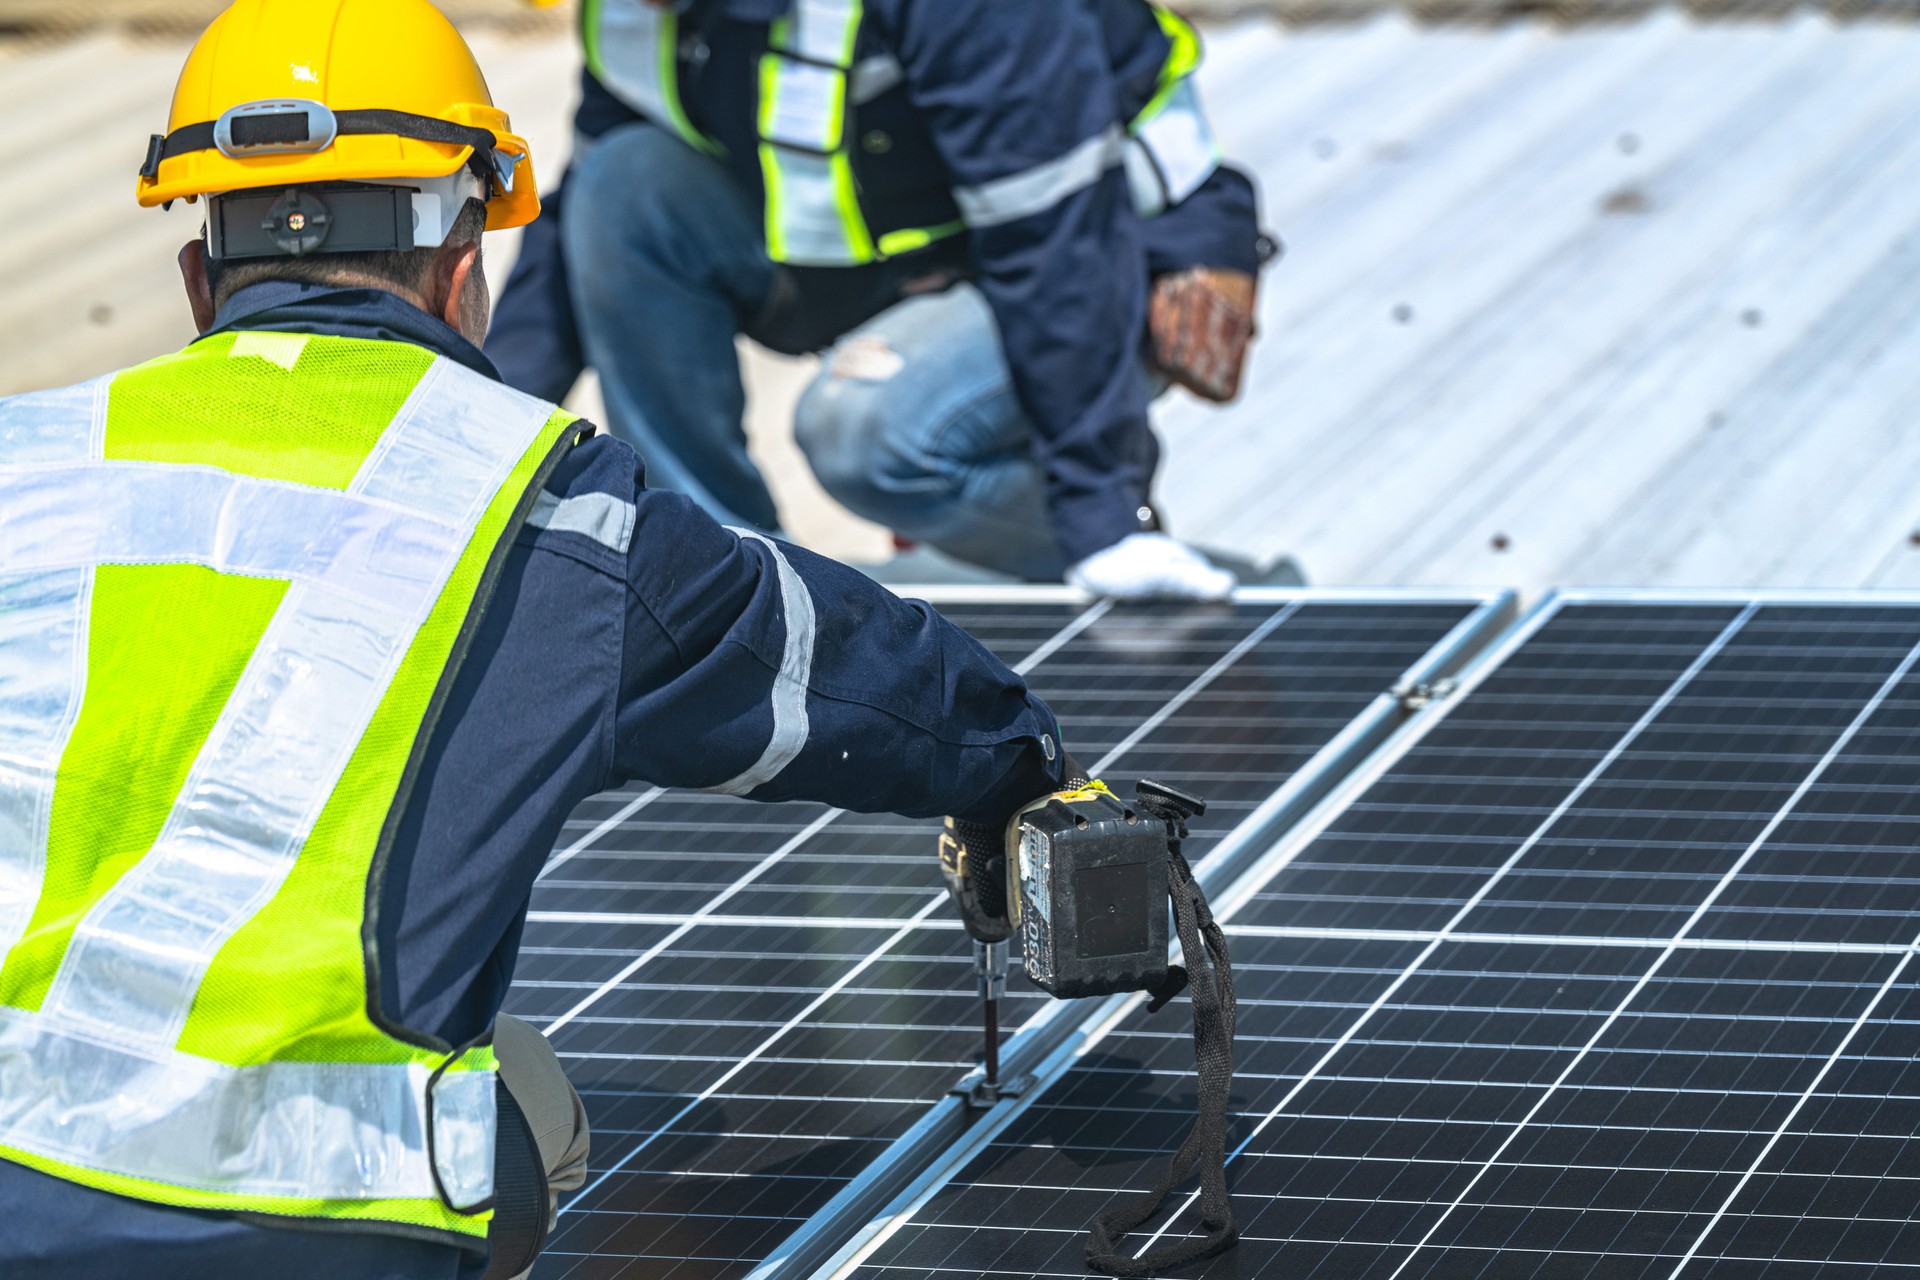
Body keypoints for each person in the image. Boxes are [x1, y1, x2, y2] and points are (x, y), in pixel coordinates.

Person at [0, 3, 1079, 1277]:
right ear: (466, 277)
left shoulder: (30, 459)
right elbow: (848, 675)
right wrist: (1022, 764)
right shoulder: (561, 513)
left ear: (197, 282)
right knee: (530, 1101)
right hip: (314, 1224)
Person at [491, 0, 1272, 600]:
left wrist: (1104, 510)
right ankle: (717, 590)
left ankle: (1138, 569)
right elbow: (581, 218)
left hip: (1101, 244)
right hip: (890, 235)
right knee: (623, 184)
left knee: (870, 434)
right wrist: (480, 441)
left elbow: (1056, 234)